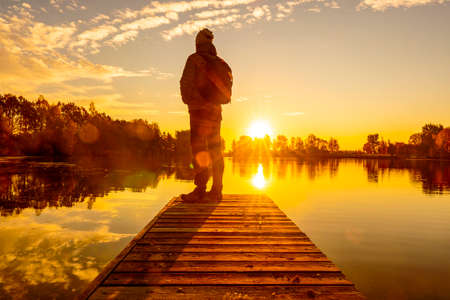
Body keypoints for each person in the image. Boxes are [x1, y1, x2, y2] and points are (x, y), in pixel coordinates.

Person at [179, 28, 232, 201]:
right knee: (216, 150)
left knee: (199, 150)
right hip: (216, 112)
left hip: (198, 112)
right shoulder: (221, 62)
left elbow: (185, 84)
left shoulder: (194, 59)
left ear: (197, 44)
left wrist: (191, 101)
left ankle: (200, 190)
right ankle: (217, 190)